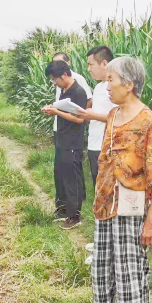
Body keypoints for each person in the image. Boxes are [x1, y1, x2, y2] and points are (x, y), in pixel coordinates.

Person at [91, 56, 152, 303]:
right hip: (105, 205)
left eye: (111, 80)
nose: (106, 85)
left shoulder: (147, 121)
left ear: (130, 84)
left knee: (130, 271)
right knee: (102, 268)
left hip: (132, 209)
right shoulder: (112, 115)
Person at [43, 52, 92, 220]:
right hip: (63, 139)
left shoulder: (78, 92)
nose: (54, 83)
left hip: (72, 142)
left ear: (64, 74)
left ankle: (74, 216)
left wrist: (56, 111)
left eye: (55, 79)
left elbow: (79, 119)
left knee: (72, 179)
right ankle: (65, 209)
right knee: (63, 175)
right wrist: (53, 110)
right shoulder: (65, 90)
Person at [77, 45, 116, 188]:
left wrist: (93, 115)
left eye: (91, 64)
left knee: (107, 191)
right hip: (93, 145)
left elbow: (119, 118)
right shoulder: (99, 87)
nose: (88, 69)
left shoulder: (115, 88)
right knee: (97, 188)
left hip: (105, 147)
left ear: (104, 64)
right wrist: (87, 114)